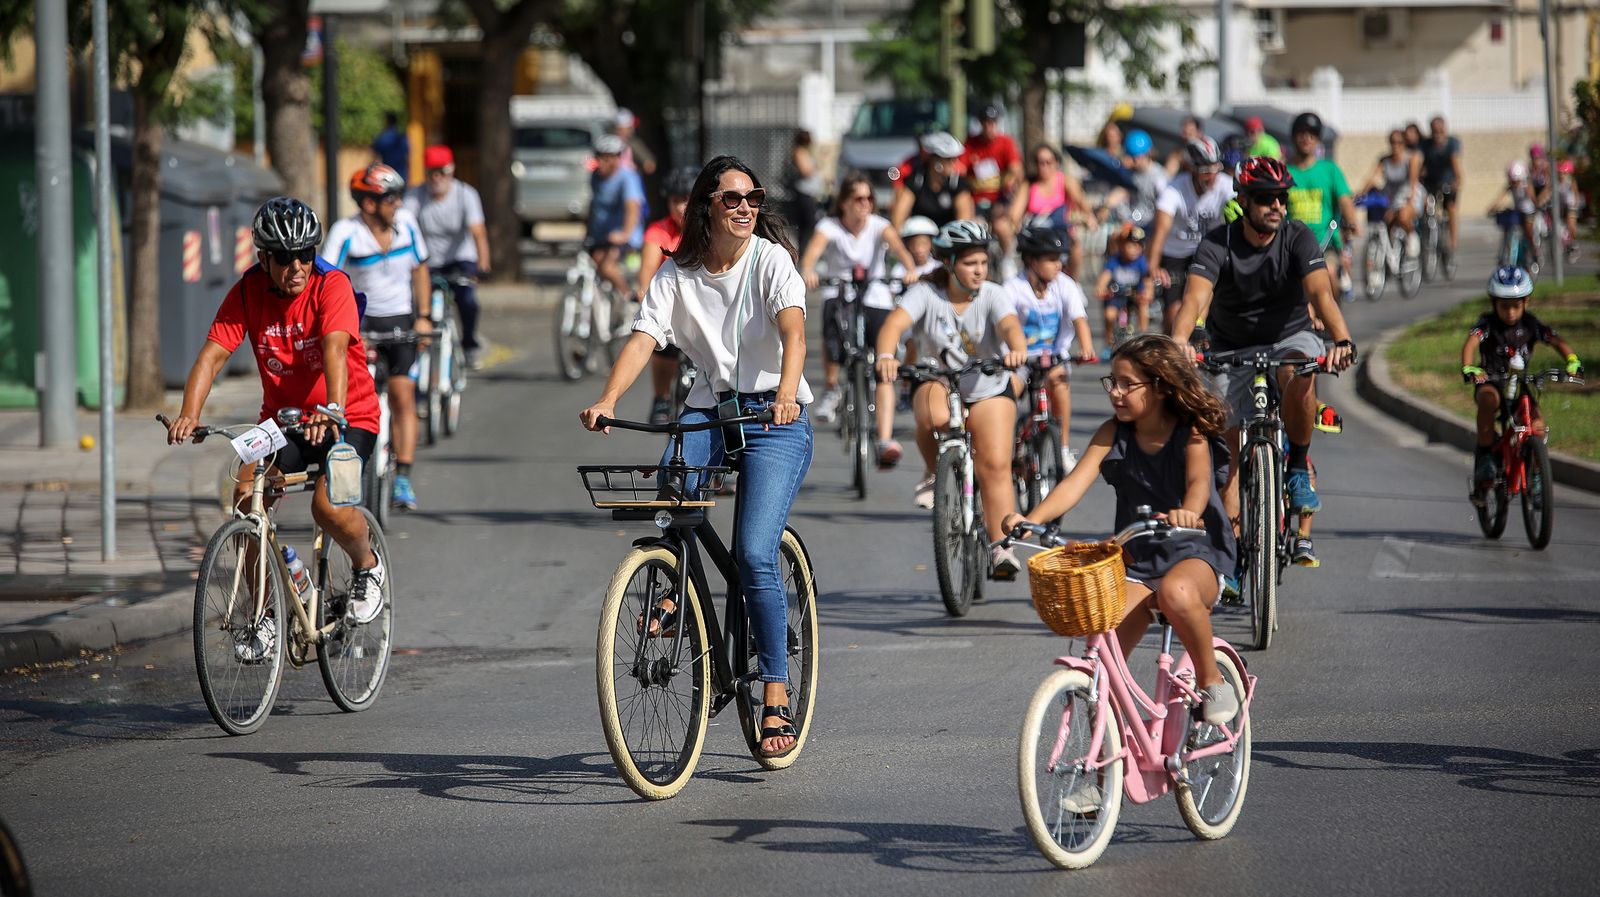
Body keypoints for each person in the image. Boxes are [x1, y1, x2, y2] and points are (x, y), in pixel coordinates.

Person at [580, 156, 811, 758]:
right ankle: (671, 592)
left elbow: (793, 333)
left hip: (773, 416)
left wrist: (787, 393)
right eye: (732, 198)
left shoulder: (770, 260)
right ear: (705, 205)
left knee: (756, 553)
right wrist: (608, 397)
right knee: (671, 486)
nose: (745, 208)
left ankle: (777, 693)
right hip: (713, 405)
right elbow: (645, 337)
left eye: (753, 198)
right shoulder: (677, 272)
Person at [166, 197, 387, 658]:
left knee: (327, 508)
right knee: (246, 496)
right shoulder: (248, 291)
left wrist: (331, 408)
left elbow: (334, 349)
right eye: (285, 258)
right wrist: (190, 411)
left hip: (348, 416)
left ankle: (368, 567)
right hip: (283, 422)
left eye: (306, 254)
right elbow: (212, 355)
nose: (297, 265)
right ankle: (263, 615)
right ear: (263, 258)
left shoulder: (332, 284)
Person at [1004, 333, 1240, 724]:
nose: (1115, 391)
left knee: (1176, 593)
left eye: (1127, 384)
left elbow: (1200, 483)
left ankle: (1212, 679)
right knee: (1102, 655)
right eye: (1112, 381)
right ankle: (1100, 778)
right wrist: (1032, 519)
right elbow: (1073, 483)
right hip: (1139, 561)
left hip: (1195, 553)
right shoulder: (1113, 432)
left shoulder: (1190, 431)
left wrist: (1188, 511)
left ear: (1161, 387)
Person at [1170, 156, 1357, 572]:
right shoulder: (1218, 243)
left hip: (1289, 336)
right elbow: (1196, 298)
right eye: (1265, 198)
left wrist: (1341, 338)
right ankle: (1233, 554)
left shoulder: (1299, 237)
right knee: (1228, 459)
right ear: (1245, 200)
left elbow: (1321, 295)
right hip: (1229, 346)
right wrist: (1180, 340)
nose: (1276, 206)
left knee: (1300, 366)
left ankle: (1295, 465)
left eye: (1281, 197)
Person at [872, 220, 1029, 577]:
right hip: (942, 380)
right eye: (970, 263)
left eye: (983, 263)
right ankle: (934, 472)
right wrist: (885, 356)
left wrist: (1017, 350)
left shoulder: (993, 293)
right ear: (950, 264)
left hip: (989, 385)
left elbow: (1010, 327)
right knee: (932, 415)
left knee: (994, 466)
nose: (979, 271)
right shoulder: (926, 293)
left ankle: (1001, 546)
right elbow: (894, 326)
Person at [326, 163, 431, 511]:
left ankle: (403, 476)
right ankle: (351, 473)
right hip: (362, 325)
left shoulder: (407, 227)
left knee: (404, 395)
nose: (398, 204)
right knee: (356, 402)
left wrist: (425, 318)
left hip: (401, 322)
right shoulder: (346, 232)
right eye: (391, 198)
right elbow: (327, 280)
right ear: (369, 203)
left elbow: (420, 271)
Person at [798, 172, 919, 441]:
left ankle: (882, 377)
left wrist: (910, 269)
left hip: (874, 292)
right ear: (844, 203)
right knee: (832, 323)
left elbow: (898, 247)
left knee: (884, 331)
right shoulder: (829, 226)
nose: (865, 203)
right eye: (858, 198)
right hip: (840, 290)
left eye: (869, 198)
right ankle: (831, 388)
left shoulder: (879, 225)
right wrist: (808, 270)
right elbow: (812, 254)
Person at [1462, 267, 1583, 494]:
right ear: (1493, 302)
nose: (1510, 313)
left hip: (1520, 385)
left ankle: (1537, 474)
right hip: (1493, 381)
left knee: (1536, 426)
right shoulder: (1487, 324)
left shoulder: (1530, 324)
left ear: (1526, 302)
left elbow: (1556, 340)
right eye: (1504, 306)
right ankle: (1486, 454)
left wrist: (1572, 361)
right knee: (1487, 400)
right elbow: (1471, 343)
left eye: (1516, 306)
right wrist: (1469, 367)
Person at [1004, 225, 1097, 471]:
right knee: (1008, 392)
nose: (1059, 264)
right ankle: (1005, 444)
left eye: (1061, 259)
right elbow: (1006, 323)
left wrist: (1087, 348)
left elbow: (1079, 319)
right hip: (1020, 359)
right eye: (1052, 259)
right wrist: (1014, 355)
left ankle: (1063, 447)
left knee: (1060, 382)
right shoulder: (1013, 288)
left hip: (1054, 357)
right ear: (1032, 261)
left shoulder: (1065, 285)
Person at [405, 144, 490, 371]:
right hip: (429, 261)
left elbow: (478, 231)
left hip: (460, 257)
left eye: (441, 172)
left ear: (451, 171)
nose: (436, 178)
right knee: (418, 306)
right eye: (431, 172)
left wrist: (482, 265)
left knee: (468, 300)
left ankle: (470, 343)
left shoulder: (465, 194)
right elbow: (404, 228)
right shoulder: (415, 196)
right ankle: (420, 358)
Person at [1148, 137, 1235, 334]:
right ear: (1191, 169)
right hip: (1176, 254)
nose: (1212, 177)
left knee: (1208, 306)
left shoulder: (1227, 186)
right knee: (1173, 314)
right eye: (1205, 172)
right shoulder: (1174, 189)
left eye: (1216, 169)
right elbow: (1160, 230)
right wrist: (1153, 268)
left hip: (1210, 251)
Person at [640, 166, 698, 424]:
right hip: (671, 309)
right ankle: (661, 397)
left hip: (704, 309)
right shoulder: (659, 231)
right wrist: (643, 292)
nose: (682, 208)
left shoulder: (710, 230)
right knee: (663, 347)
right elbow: (647, 271)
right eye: (676, 201)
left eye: (688, 200)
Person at [1286, 112, 1363, 302]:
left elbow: (1345, 200)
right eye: (1301, 133)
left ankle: (1330, 322)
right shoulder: (1284, 171)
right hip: (1291, 244)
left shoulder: (1330, 170)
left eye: (1312, 134)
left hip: (1325, 243)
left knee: (1327, 273)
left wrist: (1352, 221)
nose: (1306, 138)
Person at [1009, 144, 1095, 280]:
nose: (1044, 166)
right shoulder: (1029, 184)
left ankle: (1074, 283)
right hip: (1037, 234)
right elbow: (1015, 213)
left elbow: (1083, 204)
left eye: (1048, 162)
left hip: (1061, 232)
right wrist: (1015, 224)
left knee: (1076, 247)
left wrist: (1087, 218)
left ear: (1056, 162)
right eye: (1040, 162)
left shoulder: (1064, 181)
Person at [962, 105, 1025, 272]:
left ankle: (1008, 259)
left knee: (1002, 227)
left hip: (1000, 198)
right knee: (975, 227)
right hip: (977, 200)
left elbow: (1016, 168)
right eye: (985, 123)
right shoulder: (971, 144)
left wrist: (1009, 183)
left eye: (992, 123)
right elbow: (960, 169)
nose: (989, 127)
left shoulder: (1005, 143)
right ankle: (980, 261)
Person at [585, 134, 646, 305]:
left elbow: (633, 207)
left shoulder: (627, 177)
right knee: (595, 263)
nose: (602, 162)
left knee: (607, 267)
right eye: (600, 157)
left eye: (607, 158)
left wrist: (625, 234)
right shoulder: (595, 177)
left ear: (617, 158)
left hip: (624, 237)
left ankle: (629, 298)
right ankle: (610, 304)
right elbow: (594, 205)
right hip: (603, 235)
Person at [1359, 129, 1423, 260]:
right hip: (1392, 198)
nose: (1396, 145)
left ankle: (1412, 236)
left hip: (1408, 195)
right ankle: (1387, 259)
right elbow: (1372, 178)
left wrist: (1410, 200)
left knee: (1403, 216)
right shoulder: (1385, 160)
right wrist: (1360, 194)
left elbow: (1413, 182)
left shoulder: (1411, 158)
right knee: (1386, 224)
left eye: (1399, 142)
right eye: (1393, 142)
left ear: (1404, 143)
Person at [891, 131, 975, 231]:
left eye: (955, 159)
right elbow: (899, 215)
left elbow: (964, 221)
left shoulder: (958, 183)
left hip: (949, 238)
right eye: (949, 160)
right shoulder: (916, 180)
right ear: (936, 162)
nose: (955, 163)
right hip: (921, 237)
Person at [1095, 224, 1154, 354]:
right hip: (1116, 295)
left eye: (1137, 246)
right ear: (1121, 246)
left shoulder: (1141, 261)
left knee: (1143, 308)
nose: (1134, 250)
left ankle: (1142, 337)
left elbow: (1147, 279)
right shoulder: (1115, 260)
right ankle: (1108, 342)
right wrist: (1100, 288)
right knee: (1109, 315)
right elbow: (1105, 276)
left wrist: (1148, 293)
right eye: (1130, 245)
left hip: (1135, 295)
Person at [1419, 116, 1463, 254]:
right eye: (1435, 131)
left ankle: (1452, 241)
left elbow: (1456, 165)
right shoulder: (1425, 145)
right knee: (1425, 204)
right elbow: (1420, 163)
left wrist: (1457, 181)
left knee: (1450, 208)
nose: (1438, 134)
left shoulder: (1452, 144)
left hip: (1447, 182)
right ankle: (1426, 234)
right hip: (1430, 182)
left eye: (1440, 131)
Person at [1108, 129, 1168, 227]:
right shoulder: (1129, 174)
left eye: (1136, 157)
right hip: (1129, 225)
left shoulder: (1159, 178)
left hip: (1148, 228)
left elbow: (1164, 210)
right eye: (1131, 157)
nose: (1133, 161)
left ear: (1147, 154)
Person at [1487, 161, 1540, 270]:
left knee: (1528, 231)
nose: (1513, 183)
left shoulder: (1526, 185)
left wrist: (1536, 205)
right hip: (1518, 212)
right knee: (1508, 227)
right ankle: (1506, 252)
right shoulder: (1511, 186)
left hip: (1528, 212)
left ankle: (1534, 250)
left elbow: (1533, 199)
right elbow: (1500, 197)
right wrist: (1493, 207)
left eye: (1515, 180)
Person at [784, 130, 825, 250]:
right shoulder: (799, 152)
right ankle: (804, 249)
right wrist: (814, 167)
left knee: (808, 224)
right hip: (803, 193)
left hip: (809, 193)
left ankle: (805, 248)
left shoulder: (806, 152)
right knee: (809, 224)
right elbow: (806, 171)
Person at [612, 108, 657, 176]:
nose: (621, 132)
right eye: (619, 129)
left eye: (623, 129)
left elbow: (650, 166)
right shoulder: (609, 143)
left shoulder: (633, 143)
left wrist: (636, 168)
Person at [371, 112, 410, 182]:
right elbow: (407, 157)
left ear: (387, 121)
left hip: (387, 175)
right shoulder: (402, 137)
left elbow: (375, 158)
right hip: (402, 175)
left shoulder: (381, 138)